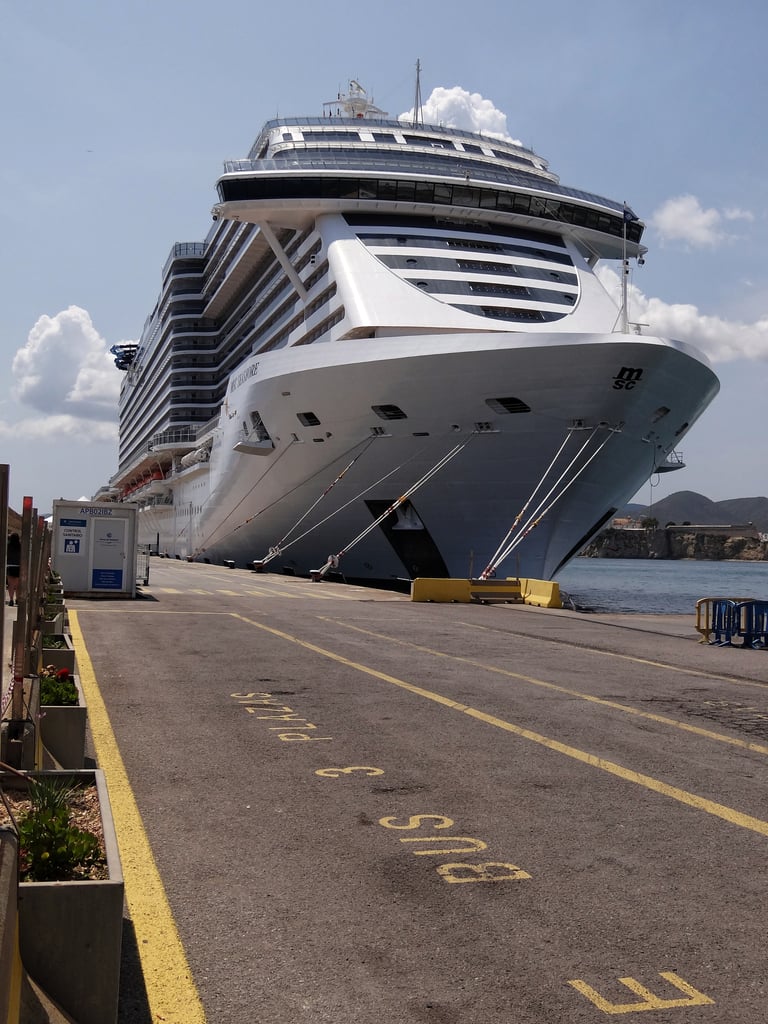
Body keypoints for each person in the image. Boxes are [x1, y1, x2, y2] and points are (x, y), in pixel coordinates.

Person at [6, 532, 20, 606]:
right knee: (17, 585)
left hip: (10, 566)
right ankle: (17, 599)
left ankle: (11, 600)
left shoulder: (8, 546)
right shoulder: (20, 546)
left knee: (10, 584)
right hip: (18, 566)